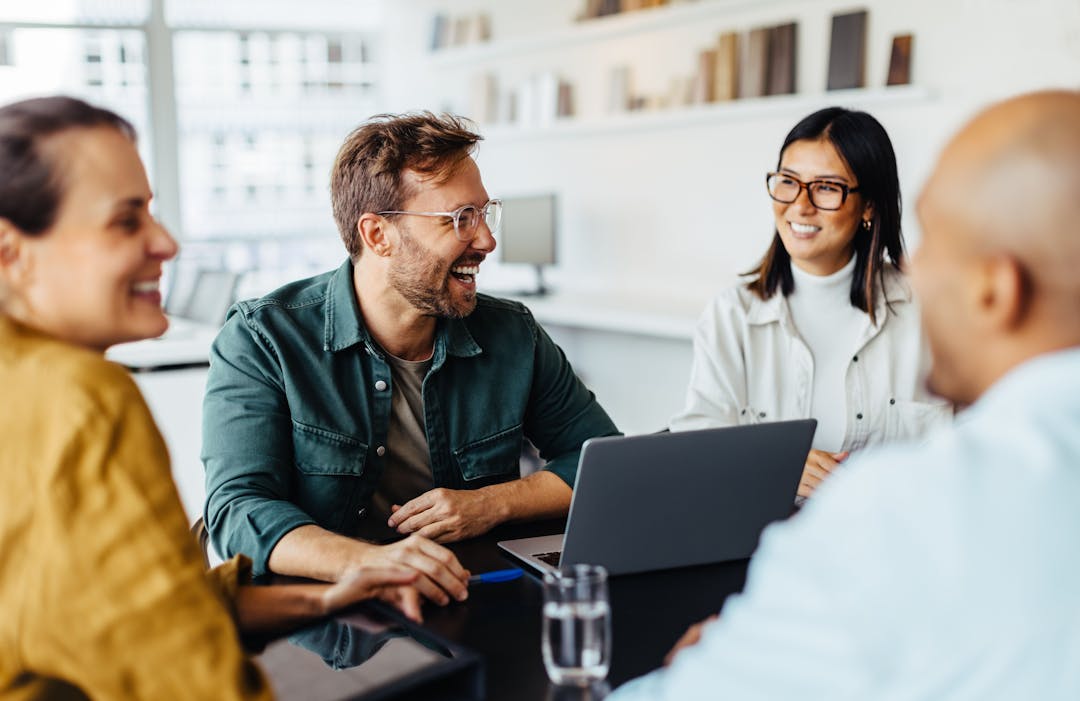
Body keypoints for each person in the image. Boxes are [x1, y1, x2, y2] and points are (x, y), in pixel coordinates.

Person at [610, 90, 1080, 699]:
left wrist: (711, 663)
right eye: (787, 182)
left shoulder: (889, 515)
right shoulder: (734, 311)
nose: (916, 270)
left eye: (936, 240)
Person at [0, 96, 425, 700]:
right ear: (12, 253)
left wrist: (323, 595)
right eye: (126, 221)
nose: (166, 243)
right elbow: (190, 680)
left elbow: (119, 609)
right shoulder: (82, 399)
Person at [202, 112, 619, 604]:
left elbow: (603, 463)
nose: (487, 240)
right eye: (461, 218)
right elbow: (237, 508)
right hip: (324, 624)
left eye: (486, 213)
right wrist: (371, 562)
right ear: (378, 235)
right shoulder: (262, 338)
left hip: (471, 603)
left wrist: (491, 504)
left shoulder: (513, 333)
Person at [671, 107, 950, 498]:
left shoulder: (928, 308)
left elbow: (973, 441)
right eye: (789, 181)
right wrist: (774, 462)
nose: (800, 205)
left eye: (826, 187)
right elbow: (692, 450)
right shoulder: (731, 315)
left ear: (869, 205)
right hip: (766, 541)